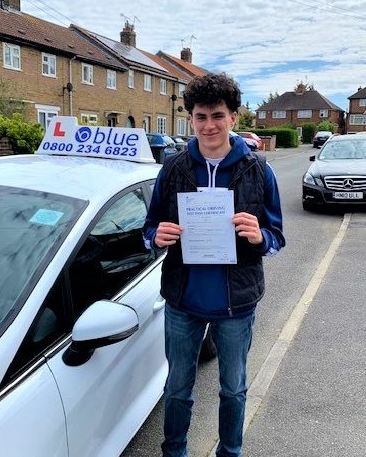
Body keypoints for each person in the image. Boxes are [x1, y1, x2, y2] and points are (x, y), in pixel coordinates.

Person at [142, 73, 285, 457]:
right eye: (201, 116)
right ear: (190, 119)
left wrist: (259, 236)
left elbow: (277, 237)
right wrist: (155, 237)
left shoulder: (259, 170)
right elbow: (149, 226)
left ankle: (230, 452)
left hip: (235, 305)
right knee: (176, 388)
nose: (209, 125)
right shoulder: (172, 169)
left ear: (234, 117)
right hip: (182, 302)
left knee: (233, 388)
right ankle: (174, 452)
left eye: (217, 116)